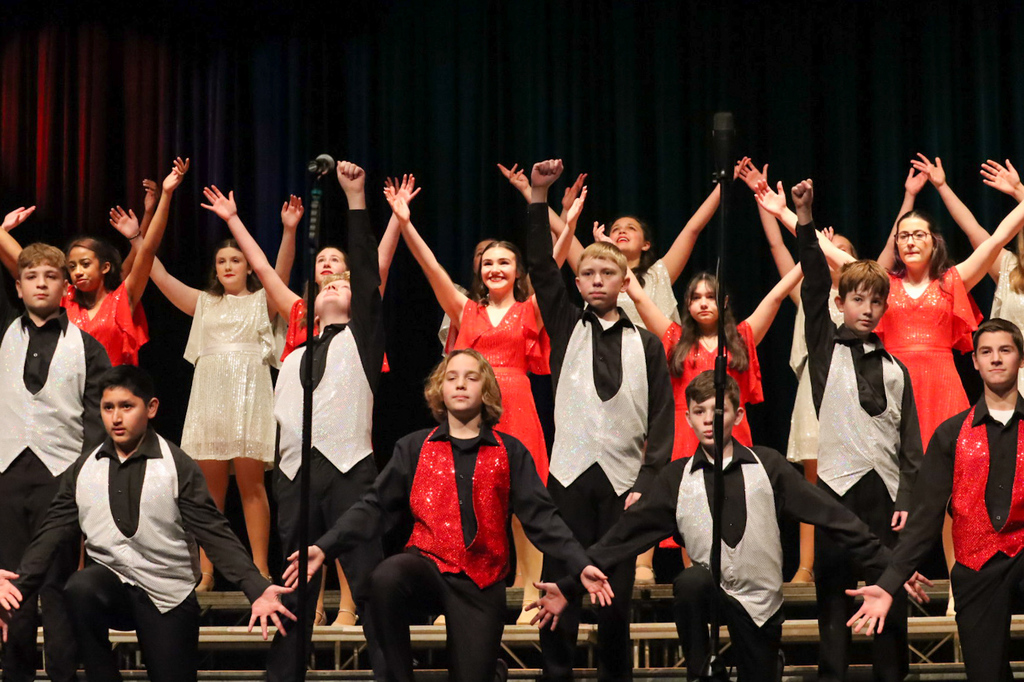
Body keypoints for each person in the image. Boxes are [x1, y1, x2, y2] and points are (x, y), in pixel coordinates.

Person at [757, 163, 1024, 601]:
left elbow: (995, 239)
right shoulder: (884, 286)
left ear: (933, 242)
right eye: (903, 235)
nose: (911, 240)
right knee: (887, 498)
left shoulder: (953, 280)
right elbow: (823, 249)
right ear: (895, 245)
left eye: (919, 233)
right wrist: (787, 213)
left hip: (943, 390)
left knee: (958, 495)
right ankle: (884, 583)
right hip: (893, 397)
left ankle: (962, 586)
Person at [530, 372, 894, 682]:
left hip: (759, 604)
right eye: (699, 411)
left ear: (737, 416)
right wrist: (568, 585)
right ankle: (701, 670)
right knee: (690, 582)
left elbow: (832, 515)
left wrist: (891, 566)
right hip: (710, 596)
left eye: (717, 411)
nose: (708, 419)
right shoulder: (676, 478)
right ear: (687, 417)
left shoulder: (768, 466)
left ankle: (769, 661)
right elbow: (624, 537)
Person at [283, 349, 613, 682]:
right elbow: (374, 506)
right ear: (440, 389)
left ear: (486, 390)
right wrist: (325, 547)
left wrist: (580, 563)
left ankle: (490, 671)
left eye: (472, 377)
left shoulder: (509, 451)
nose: (460, 384)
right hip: (426, 567)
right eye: (452, 377)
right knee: (385, 578)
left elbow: (543, 518)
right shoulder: (414, 447)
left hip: (481, 582)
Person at [0, 365, 295, 682]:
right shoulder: (83, 469)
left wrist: (256, 588)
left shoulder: (175, 464)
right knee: (79, 588)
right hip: (112, 590)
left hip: (167, 595)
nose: (116, 418)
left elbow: (215, 532)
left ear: (151, 408)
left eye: (127, 406)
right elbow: (51, 534)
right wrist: (14, 588)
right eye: (108, 408)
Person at [386, 181, 579, 622]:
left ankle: (533, 590)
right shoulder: (464, 310)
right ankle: (458, 587)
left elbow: (552, 264)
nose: (495, 268)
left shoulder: (530, 309)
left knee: (526, 499)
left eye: (504, 262)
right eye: (488, 262)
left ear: (517, 270)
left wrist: (567, 223)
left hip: (518, 402)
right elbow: (431, 267)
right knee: (468, 498)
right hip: (473, 411)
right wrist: (405, 222)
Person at [526, 158, 674, 682]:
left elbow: (663, 417)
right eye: (586, 272)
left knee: (614, 595)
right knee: (559, 587)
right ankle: (555, 675)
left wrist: (649, 481)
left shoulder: (648, 344)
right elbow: (544, 271)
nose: (594, 280)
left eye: (606, 272)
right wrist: (538, 199)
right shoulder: (566, 326)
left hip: (622, 484)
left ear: (625, 278)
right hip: (567, 476)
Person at [262, 160, 387, 681]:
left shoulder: (363, 339)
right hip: (293, 479)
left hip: (350, 471)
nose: (335, 284)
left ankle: (389, 671)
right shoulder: (291, 356)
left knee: (369, 585)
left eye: (346, 283)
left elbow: (363, 263)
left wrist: (356, 199)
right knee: (293, 590)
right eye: (326, 284)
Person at [795, 178, 923, 682]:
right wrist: (804, 219)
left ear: (884, 307)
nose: (867, 309)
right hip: (834, 492)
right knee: (833, 603)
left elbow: (910, 446)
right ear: (842, 303)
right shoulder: (826, 349)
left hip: (886, 501)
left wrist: (907, 498)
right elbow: (809, 281)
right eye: (857, 300)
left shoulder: (896, 368)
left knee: (888, 604)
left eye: (875, 302)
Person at [847, 318, 1024, 682]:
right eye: (986, 352)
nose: (995, 359)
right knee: (986, 673)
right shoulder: (951, 433)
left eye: (1005, 350)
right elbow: (925, 518)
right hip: (978, 564)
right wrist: (889, 582)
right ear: (973, 361)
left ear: (1020, 359)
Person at [149, 201, 281, 586]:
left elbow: (276, 271)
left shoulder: (262, 301)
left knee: (251, 486)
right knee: (209, 493)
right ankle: (206, 571)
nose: (227, 266)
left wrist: (287, 232)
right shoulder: (204, 303)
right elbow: (158, 275)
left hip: (249, 397)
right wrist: (139, 236)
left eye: (235, 260)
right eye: (221, 260)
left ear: (246, 267)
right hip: (209, 399)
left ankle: (259, 568)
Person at [738, 158, 856, 582]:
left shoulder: (864, 297)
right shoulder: (810, 295)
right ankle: (806, 566)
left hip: (855, 386)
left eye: (834, 248)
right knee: (812, 480)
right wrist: (764, 200)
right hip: (813, 387)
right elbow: (779, 251)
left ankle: (862, 562)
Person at [0, 240, 111, 682]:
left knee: (57, 586)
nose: (41, 283)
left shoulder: (87, 347)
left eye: (50, 276)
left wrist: (81, 478)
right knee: (9, 585)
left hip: (61, 478)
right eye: (32, 277)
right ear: (19, 285)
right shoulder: (3, 337)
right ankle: (14, 675)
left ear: (65, 285)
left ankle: (65, 675)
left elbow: (99, 419)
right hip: (7, 474)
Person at [0, 159, 189, 366]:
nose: (78, 272)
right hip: (66, 395)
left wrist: (165, 197)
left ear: (105, 267)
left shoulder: (121, 300)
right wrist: (1, 231)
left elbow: (147, 251)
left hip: (111, 393)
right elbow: (25, 263)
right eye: (72, 267)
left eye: (85, 264)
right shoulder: (65, 299)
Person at [941, 156, 1024, 392]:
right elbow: (972, 229)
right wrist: (942, 186)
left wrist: (1020, 191)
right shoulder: (1009, 268)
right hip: (1012, 381)